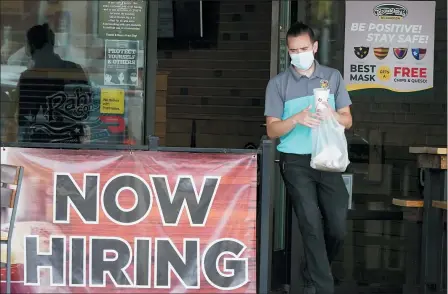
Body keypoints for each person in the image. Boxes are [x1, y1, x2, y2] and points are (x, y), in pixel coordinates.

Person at [264, 22, 352, 294]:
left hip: (328, 158)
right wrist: (297, 119)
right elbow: (272, 129)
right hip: (295, 161)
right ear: (288, 51)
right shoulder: (279, 84)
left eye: (303, 48)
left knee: (337, 226)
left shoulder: (332, 77)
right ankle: (322, 286)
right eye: (293, 50)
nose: (299, 54)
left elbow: (348, 121)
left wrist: (332, 115)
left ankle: (312, 269)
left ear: (314, 47)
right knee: (311, 222)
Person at [17, 23, 91, 143]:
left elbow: (22, 120)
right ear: (52, 44)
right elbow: (88, 110)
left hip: (38, 148)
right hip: (72, 145)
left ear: (31, 47)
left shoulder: (29, 77)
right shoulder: (76, 70)